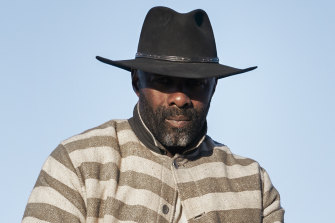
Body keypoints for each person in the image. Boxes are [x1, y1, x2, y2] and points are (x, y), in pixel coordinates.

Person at [23, 6, 284, 223]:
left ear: (214, 87)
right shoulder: (79, 163)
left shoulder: (252, 184)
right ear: (137, 82)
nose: (180, 98)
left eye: (196, 83)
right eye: (164, 81)